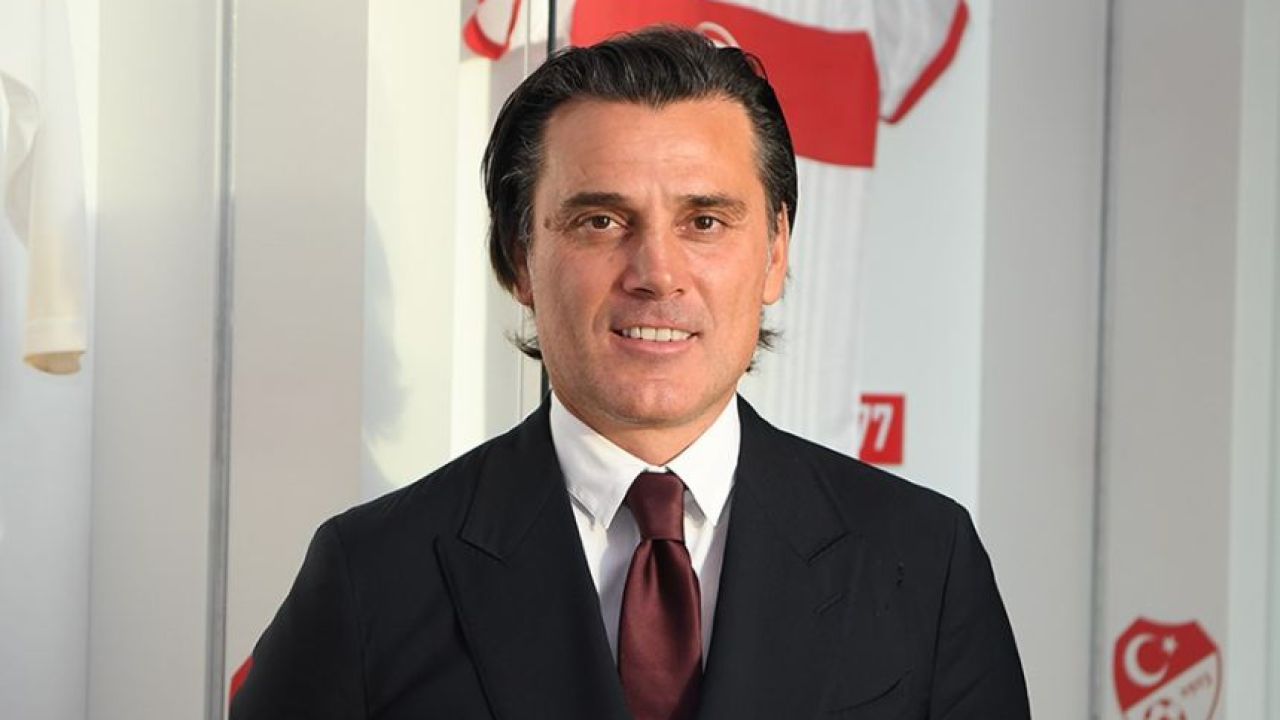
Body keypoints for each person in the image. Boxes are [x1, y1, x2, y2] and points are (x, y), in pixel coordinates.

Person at [230, 27, 1030, 719]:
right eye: (602, 220)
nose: (657, 273)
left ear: (775, 253)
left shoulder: (925, 563)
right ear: (519, 257)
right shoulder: (370, 575)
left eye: (705, 221)